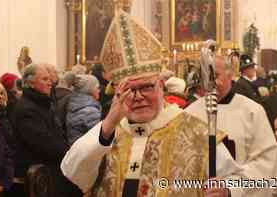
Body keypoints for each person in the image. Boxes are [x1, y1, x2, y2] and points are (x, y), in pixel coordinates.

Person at [61, 10, 242, 197]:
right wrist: (108, 125)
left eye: (146, 87)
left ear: (161, 87)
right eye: (129, 90)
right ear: (117, 94)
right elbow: (72, 172)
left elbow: (240, 179)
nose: (138, 96)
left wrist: (227, 190)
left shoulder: (196, 132)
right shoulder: (107, 134)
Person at [185, 56, 277, 197]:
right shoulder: (189, 114)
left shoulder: (252, 111)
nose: (209, 83)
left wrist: (230, 188)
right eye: (204, 77)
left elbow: (266, 162)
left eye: (214, 76)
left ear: (230, 75)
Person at [12, 64, 82, 197]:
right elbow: (43, 143)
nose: (50, 83)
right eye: (44, 79)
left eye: (50, 79)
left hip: (54, 167)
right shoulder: (27, 109)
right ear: (31, 83)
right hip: (43, 171)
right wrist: (70, 154)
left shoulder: (43, 103)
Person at [66, 74, 101, 145]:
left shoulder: (77, 104)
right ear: (89, 90)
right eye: (97, 88)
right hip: (87, 151)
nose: (99, 90)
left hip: (77, 148)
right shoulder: (90, 111)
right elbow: (100, 138)